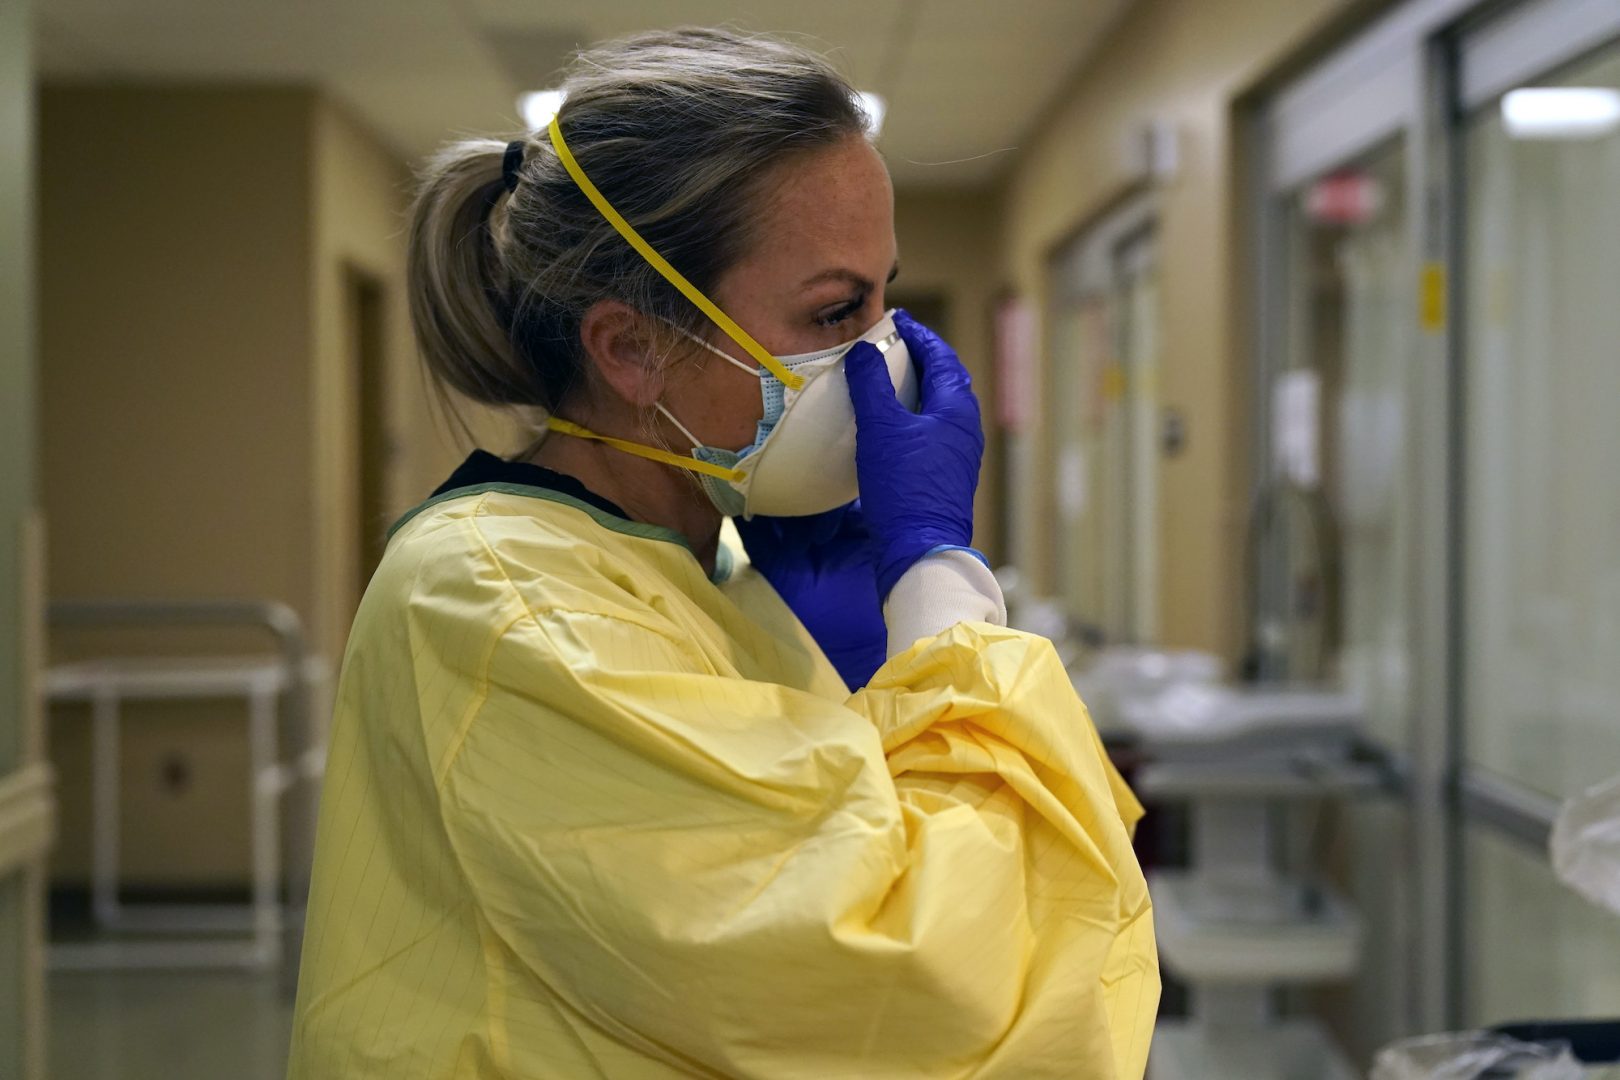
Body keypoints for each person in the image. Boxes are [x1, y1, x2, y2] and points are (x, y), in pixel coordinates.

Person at [287, 26, 1158, 1080]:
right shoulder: (503, 597)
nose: (886, 356)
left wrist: (858, 673)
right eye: (837, 311)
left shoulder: (702, 564)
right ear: (631, 347)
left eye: (888, 296)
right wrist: (935, 582)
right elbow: (927, 983)